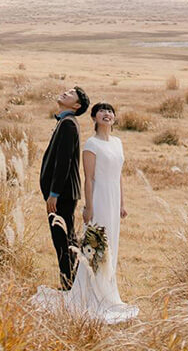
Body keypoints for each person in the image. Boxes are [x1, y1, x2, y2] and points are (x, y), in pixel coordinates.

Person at [32, 101, 139, 324]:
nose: (107, 114)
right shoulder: (91, 144)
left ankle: (108, 290)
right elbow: (88, 178)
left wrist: (122, 202)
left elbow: (119, 175)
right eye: (102, 111)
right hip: (99, 198)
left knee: (112, 244)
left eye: (110, 111)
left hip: (114, 198)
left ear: (114, 118)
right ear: (94, 118)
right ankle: (92, 292)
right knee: (97, 245)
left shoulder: (118, 143)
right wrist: (89, 206)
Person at [39, 86, 88, 289]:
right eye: (66, 91)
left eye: (71, 94)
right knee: (65, 239)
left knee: (64, 241)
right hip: (62, 194)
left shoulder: (68, 124)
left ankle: (70, 286)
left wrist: (54, 194)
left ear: (76, 106)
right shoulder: (65, 122)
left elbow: (64, 162)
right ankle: (72, 284)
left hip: (63, 194)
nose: (65, 93)